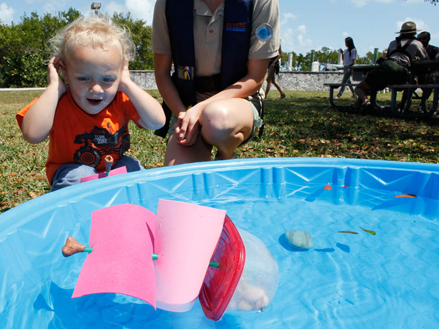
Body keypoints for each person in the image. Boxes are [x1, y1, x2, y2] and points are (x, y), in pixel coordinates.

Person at [15, 15, 164, 191]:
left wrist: (127, 84)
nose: (96, 89)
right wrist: (54, 87)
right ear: (65, 71)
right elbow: (32, 134)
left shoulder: (121, 98)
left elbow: (158, 122)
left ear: (121, 71)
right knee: (81, 175)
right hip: (71, 170)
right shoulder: (57, 102)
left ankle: (134, 210)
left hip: (114, 167)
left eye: (108, 79)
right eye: (84, 78)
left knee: (133, 169)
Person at [152, 0, 280, 165]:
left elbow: (255, 78)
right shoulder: (167, 3)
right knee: (181, 181)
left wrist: (201, 110)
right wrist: (184, 116)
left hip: (239, 102)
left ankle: (226, 156)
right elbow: (162, 73)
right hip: (188, 105)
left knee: (215, 119)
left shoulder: (262, 2)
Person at [353, 21, 428, 111]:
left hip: (386, 67)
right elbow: (426, 59)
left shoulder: (393, 43)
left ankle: (366, 103)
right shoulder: (416, 43)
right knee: (412, 80)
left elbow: (388, 56)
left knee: (361, 87)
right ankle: (403, 106)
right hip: (402, 71)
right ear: (414, 32)